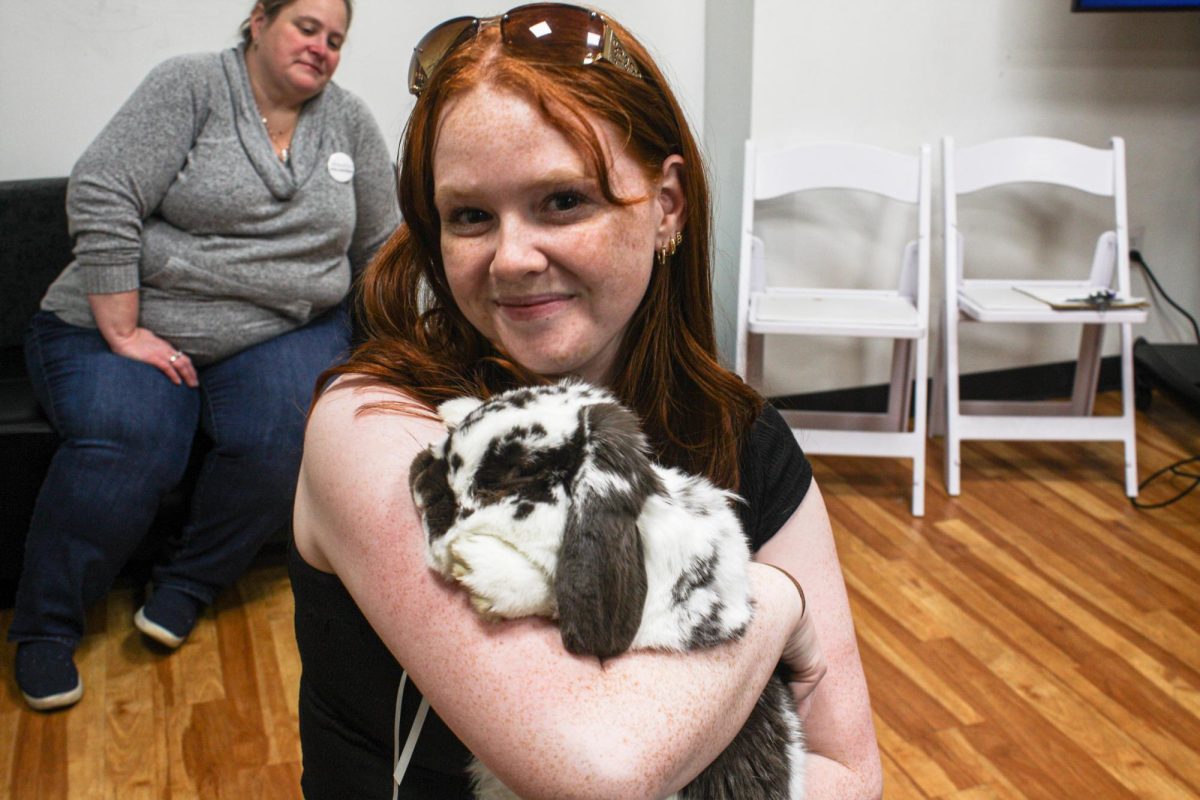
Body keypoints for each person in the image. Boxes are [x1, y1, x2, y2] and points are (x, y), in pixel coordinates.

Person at [292, 4, 882, 798]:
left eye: (562, 201)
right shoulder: (374, 425)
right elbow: (597, 772)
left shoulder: (741, 434)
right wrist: (774, 602)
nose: (512, 257)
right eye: (470, 216)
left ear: (666, 204)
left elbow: (848, 771)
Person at [10, 0, 399, 712]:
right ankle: (44, 627)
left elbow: (381, 246)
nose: (321, 47)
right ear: (258, 20)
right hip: (132, 316)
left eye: (335, 39)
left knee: (290, 433)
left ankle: (185, 584)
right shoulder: (190, 86)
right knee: (131, 442)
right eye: (306, 27)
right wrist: (124, 330)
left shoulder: (348, 122)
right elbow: (102, 187)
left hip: (275, 328)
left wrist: (400, 350)